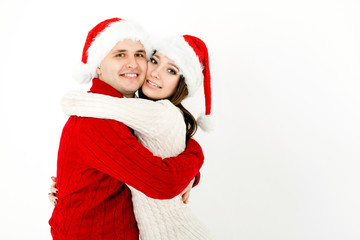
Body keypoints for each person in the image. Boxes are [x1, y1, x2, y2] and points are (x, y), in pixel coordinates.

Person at [48, 18, 204, 240]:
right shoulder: (97, 122)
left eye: (139, 54)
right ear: (98, 66)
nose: (133, 63)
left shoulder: (123, 113)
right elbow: (162, 182)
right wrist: (196, 157)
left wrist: (192, 171)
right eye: (120, 54)